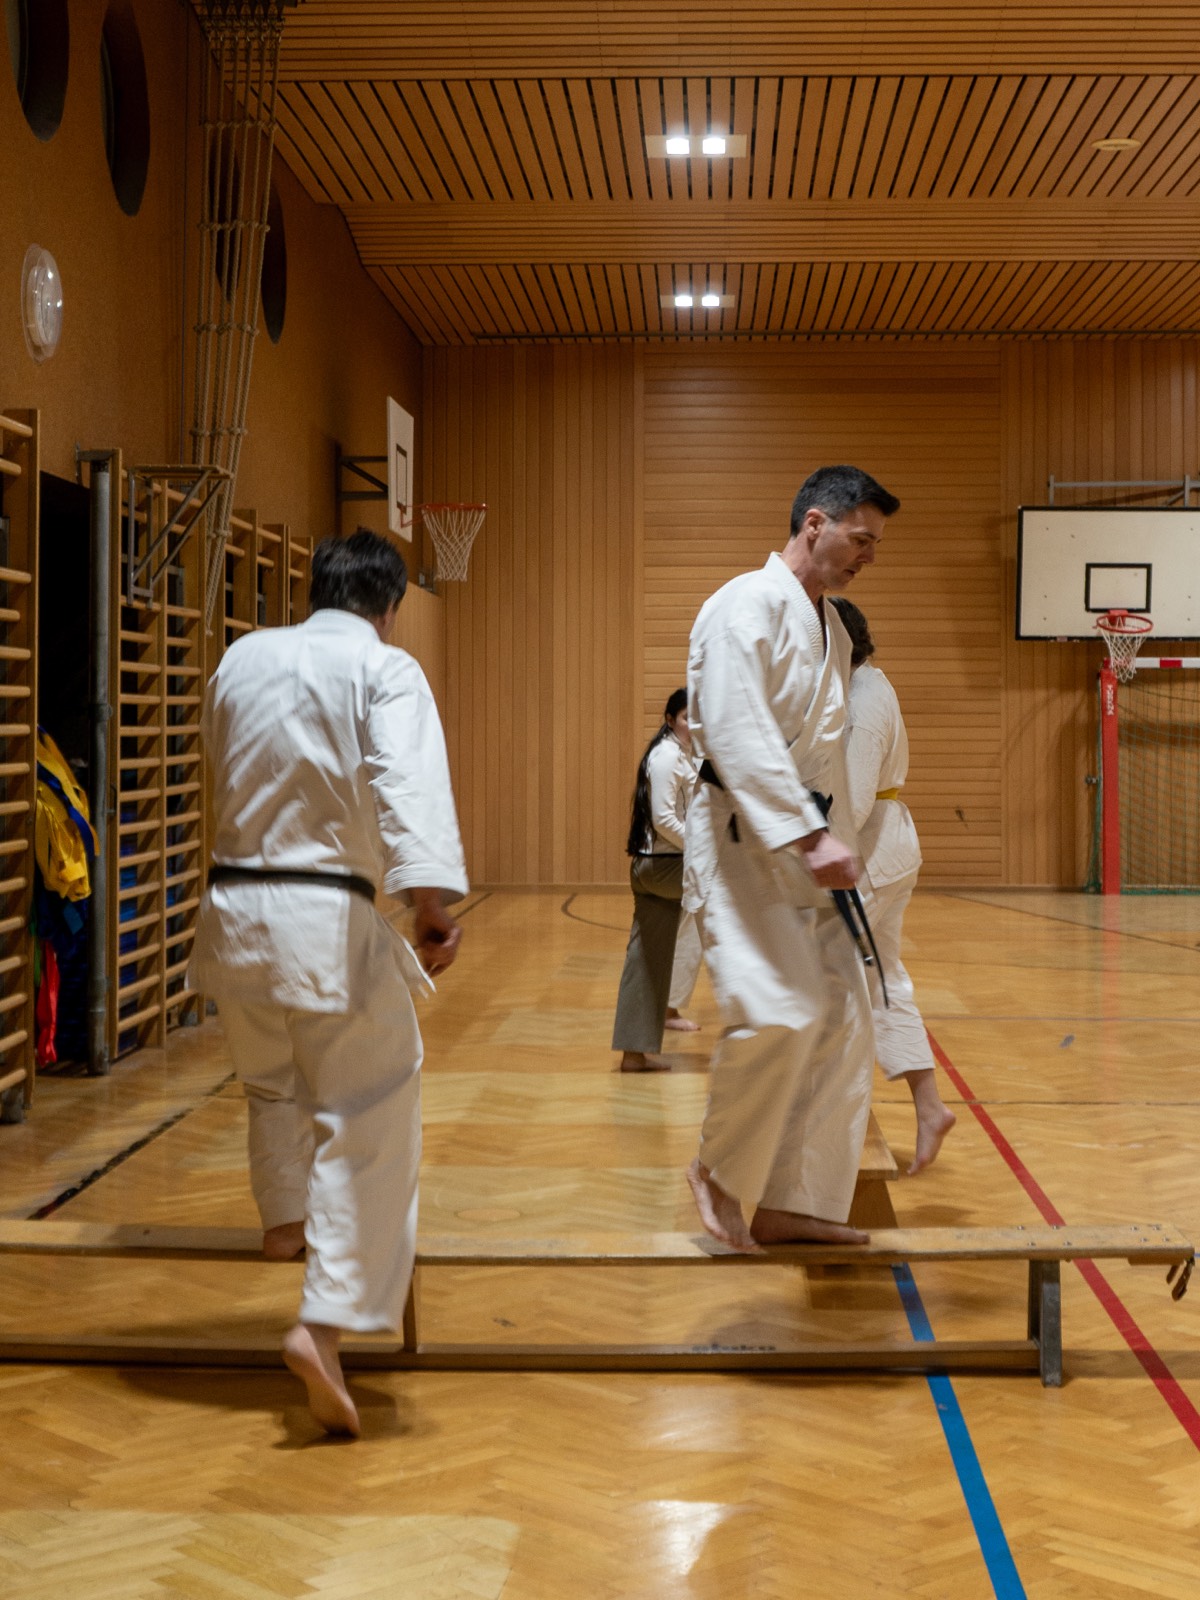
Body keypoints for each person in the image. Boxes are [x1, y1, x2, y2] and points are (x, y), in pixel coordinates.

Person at [189, 529, 468, 1436]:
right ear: (387, 607)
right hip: (322, 910)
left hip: (229, 909)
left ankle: (284, 1222)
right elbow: (408, 786)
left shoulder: (241, 657)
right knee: (372, 1103)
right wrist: (431, 902)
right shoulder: (384, 669)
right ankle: (325, 1320)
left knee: (271, 1079)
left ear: (315, 588)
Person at [683, 465, 901, 1253]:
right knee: (777, 1011)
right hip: (746, 834)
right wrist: (811, 837)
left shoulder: (832, 625)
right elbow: (735, 730)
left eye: (875, 544)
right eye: (860, 538)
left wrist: (839, 841)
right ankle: (716, 1169)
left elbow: (827, 755)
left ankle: (791, 1201)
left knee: (843, 1019)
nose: (868, 555)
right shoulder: (744, 604)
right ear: (816, 523)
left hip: (809, 837)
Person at [829, 596, 956, 1174]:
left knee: (834, 978)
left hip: (870, 850)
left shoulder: (861, 702)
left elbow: (849, 805)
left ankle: (836, 1120)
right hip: (889, 843)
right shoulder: (871, 683)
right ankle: (929, 1106)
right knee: (884, 977)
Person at [611, 689, 699, 1070]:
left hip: (654, 867)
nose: (693, 725)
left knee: (644, 957)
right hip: (664, 867)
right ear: (669, 720)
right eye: (685, 718)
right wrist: (702, 850)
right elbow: (665, 821)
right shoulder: (666, 758)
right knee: (738, 897)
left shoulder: (677, 754)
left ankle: (633, 1053)